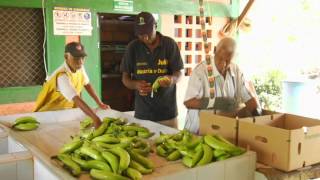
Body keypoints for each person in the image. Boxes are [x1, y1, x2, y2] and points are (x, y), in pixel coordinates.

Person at [183, 37, 261, 133]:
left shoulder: (236, 71)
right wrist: (214, 103)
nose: (223, 64)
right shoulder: (200, 72)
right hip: (197, 130)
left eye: (228, 60)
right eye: (220, 58)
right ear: (215, 50)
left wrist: (258, 114)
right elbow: (188, 102)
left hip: (224, 131)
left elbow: (249, 99)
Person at [121, 12, 184, 128]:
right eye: (140, 34)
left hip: (167, 114)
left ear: (155, 26)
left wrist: (172, 79)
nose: (145, 37)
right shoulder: (133, 48)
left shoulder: (169, 44)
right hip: (143, 114)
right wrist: (136, 85)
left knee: (172, 144)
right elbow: (125, 78)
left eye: (147, 33)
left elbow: (179, 73)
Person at [33, 42, 109, 128]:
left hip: (64, 113)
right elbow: (76, 98)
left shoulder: (79, 67)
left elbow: (87, 84)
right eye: (76, 58)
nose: (80, 62)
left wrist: (100, 103)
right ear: (66, 57)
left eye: (82, 58)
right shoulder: (61, 76)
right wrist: (95, 118)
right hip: (49, 116)